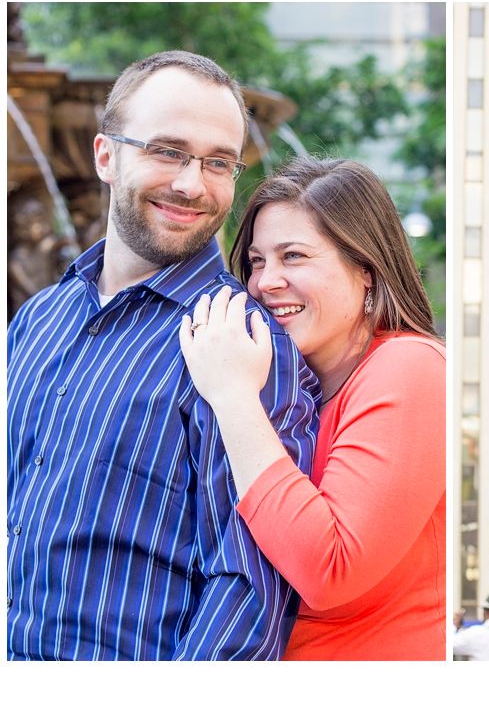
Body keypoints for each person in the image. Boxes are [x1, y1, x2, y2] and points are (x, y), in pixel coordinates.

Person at [7, 51, 318, 661]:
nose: (191, 184)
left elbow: (252, 588)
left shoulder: (244, 340)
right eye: (168, 151)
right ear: (105, 155)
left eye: (218, 162)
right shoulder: (37, 317)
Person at [179, 156, 445, 660]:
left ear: (365, 269)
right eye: (257, 261)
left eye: (294, 256)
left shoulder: (412, 367)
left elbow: (331, 569)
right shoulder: (287, 387)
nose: (266, 282)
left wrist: (233, 397)